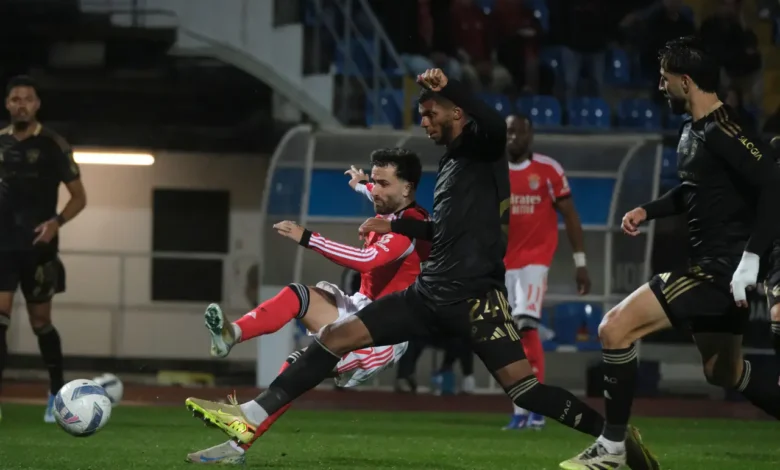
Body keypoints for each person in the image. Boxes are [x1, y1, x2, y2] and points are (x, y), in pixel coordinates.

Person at [182, 69, 659, 470]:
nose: (424, 120)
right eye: (423, 113)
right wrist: (395, 222)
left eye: (432, 112)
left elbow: (494, 122)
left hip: (476, 299)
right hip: (430, 294)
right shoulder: (451, 166)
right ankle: (250, 414)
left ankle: (613, 438)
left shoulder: (483, 148)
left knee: (527, 390)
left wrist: (453, 86)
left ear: (457, 112)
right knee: (334, 336)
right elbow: (440, 231)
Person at [561, 36, 780, 470]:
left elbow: (774, 183)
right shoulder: (694, 130)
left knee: (614, 329)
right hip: (715, 270)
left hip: (718, 272)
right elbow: (695, 190)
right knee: (724, 372)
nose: (660, 87)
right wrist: (649, 210)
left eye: (665, 79)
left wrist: (752, 258)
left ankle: (613, 447)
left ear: (686, 81)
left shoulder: (723, 130)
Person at [185, 148, 431, 465]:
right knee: (298, 295)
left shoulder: (409, 227)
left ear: (407, 188)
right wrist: (359, 182)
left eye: (383, 184)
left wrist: (308, 237)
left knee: (301, 364)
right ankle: (230, 334)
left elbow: (366, 261)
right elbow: (371, 190)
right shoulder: (390, 204)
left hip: (384, 333)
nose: (375, 191)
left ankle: (238, 443)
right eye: (375, 182)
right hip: (361, 310)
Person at [0, 75, 87, 423]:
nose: (21, 104)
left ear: (36, 105)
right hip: (3, 246)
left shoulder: (53, 144)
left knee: (41, 322)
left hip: (38, 249)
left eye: (27, 99)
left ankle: (56, 394)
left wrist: (56, 223)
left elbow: (79, 197)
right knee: (0, 318)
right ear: (7, 104)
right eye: (15, 99)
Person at [502, 114, 591, 431]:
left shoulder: (548, 169)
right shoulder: (494, 171)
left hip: (534, 262)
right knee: (509, 338)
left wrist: (580, 263)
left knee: (526, 329)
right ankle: (521, 410)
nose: (514, 137)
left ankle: (536, 410)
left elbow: (570, 215)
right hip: (503, 264)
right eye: (509, 132)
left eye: (520, 132)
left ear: (530, 136)